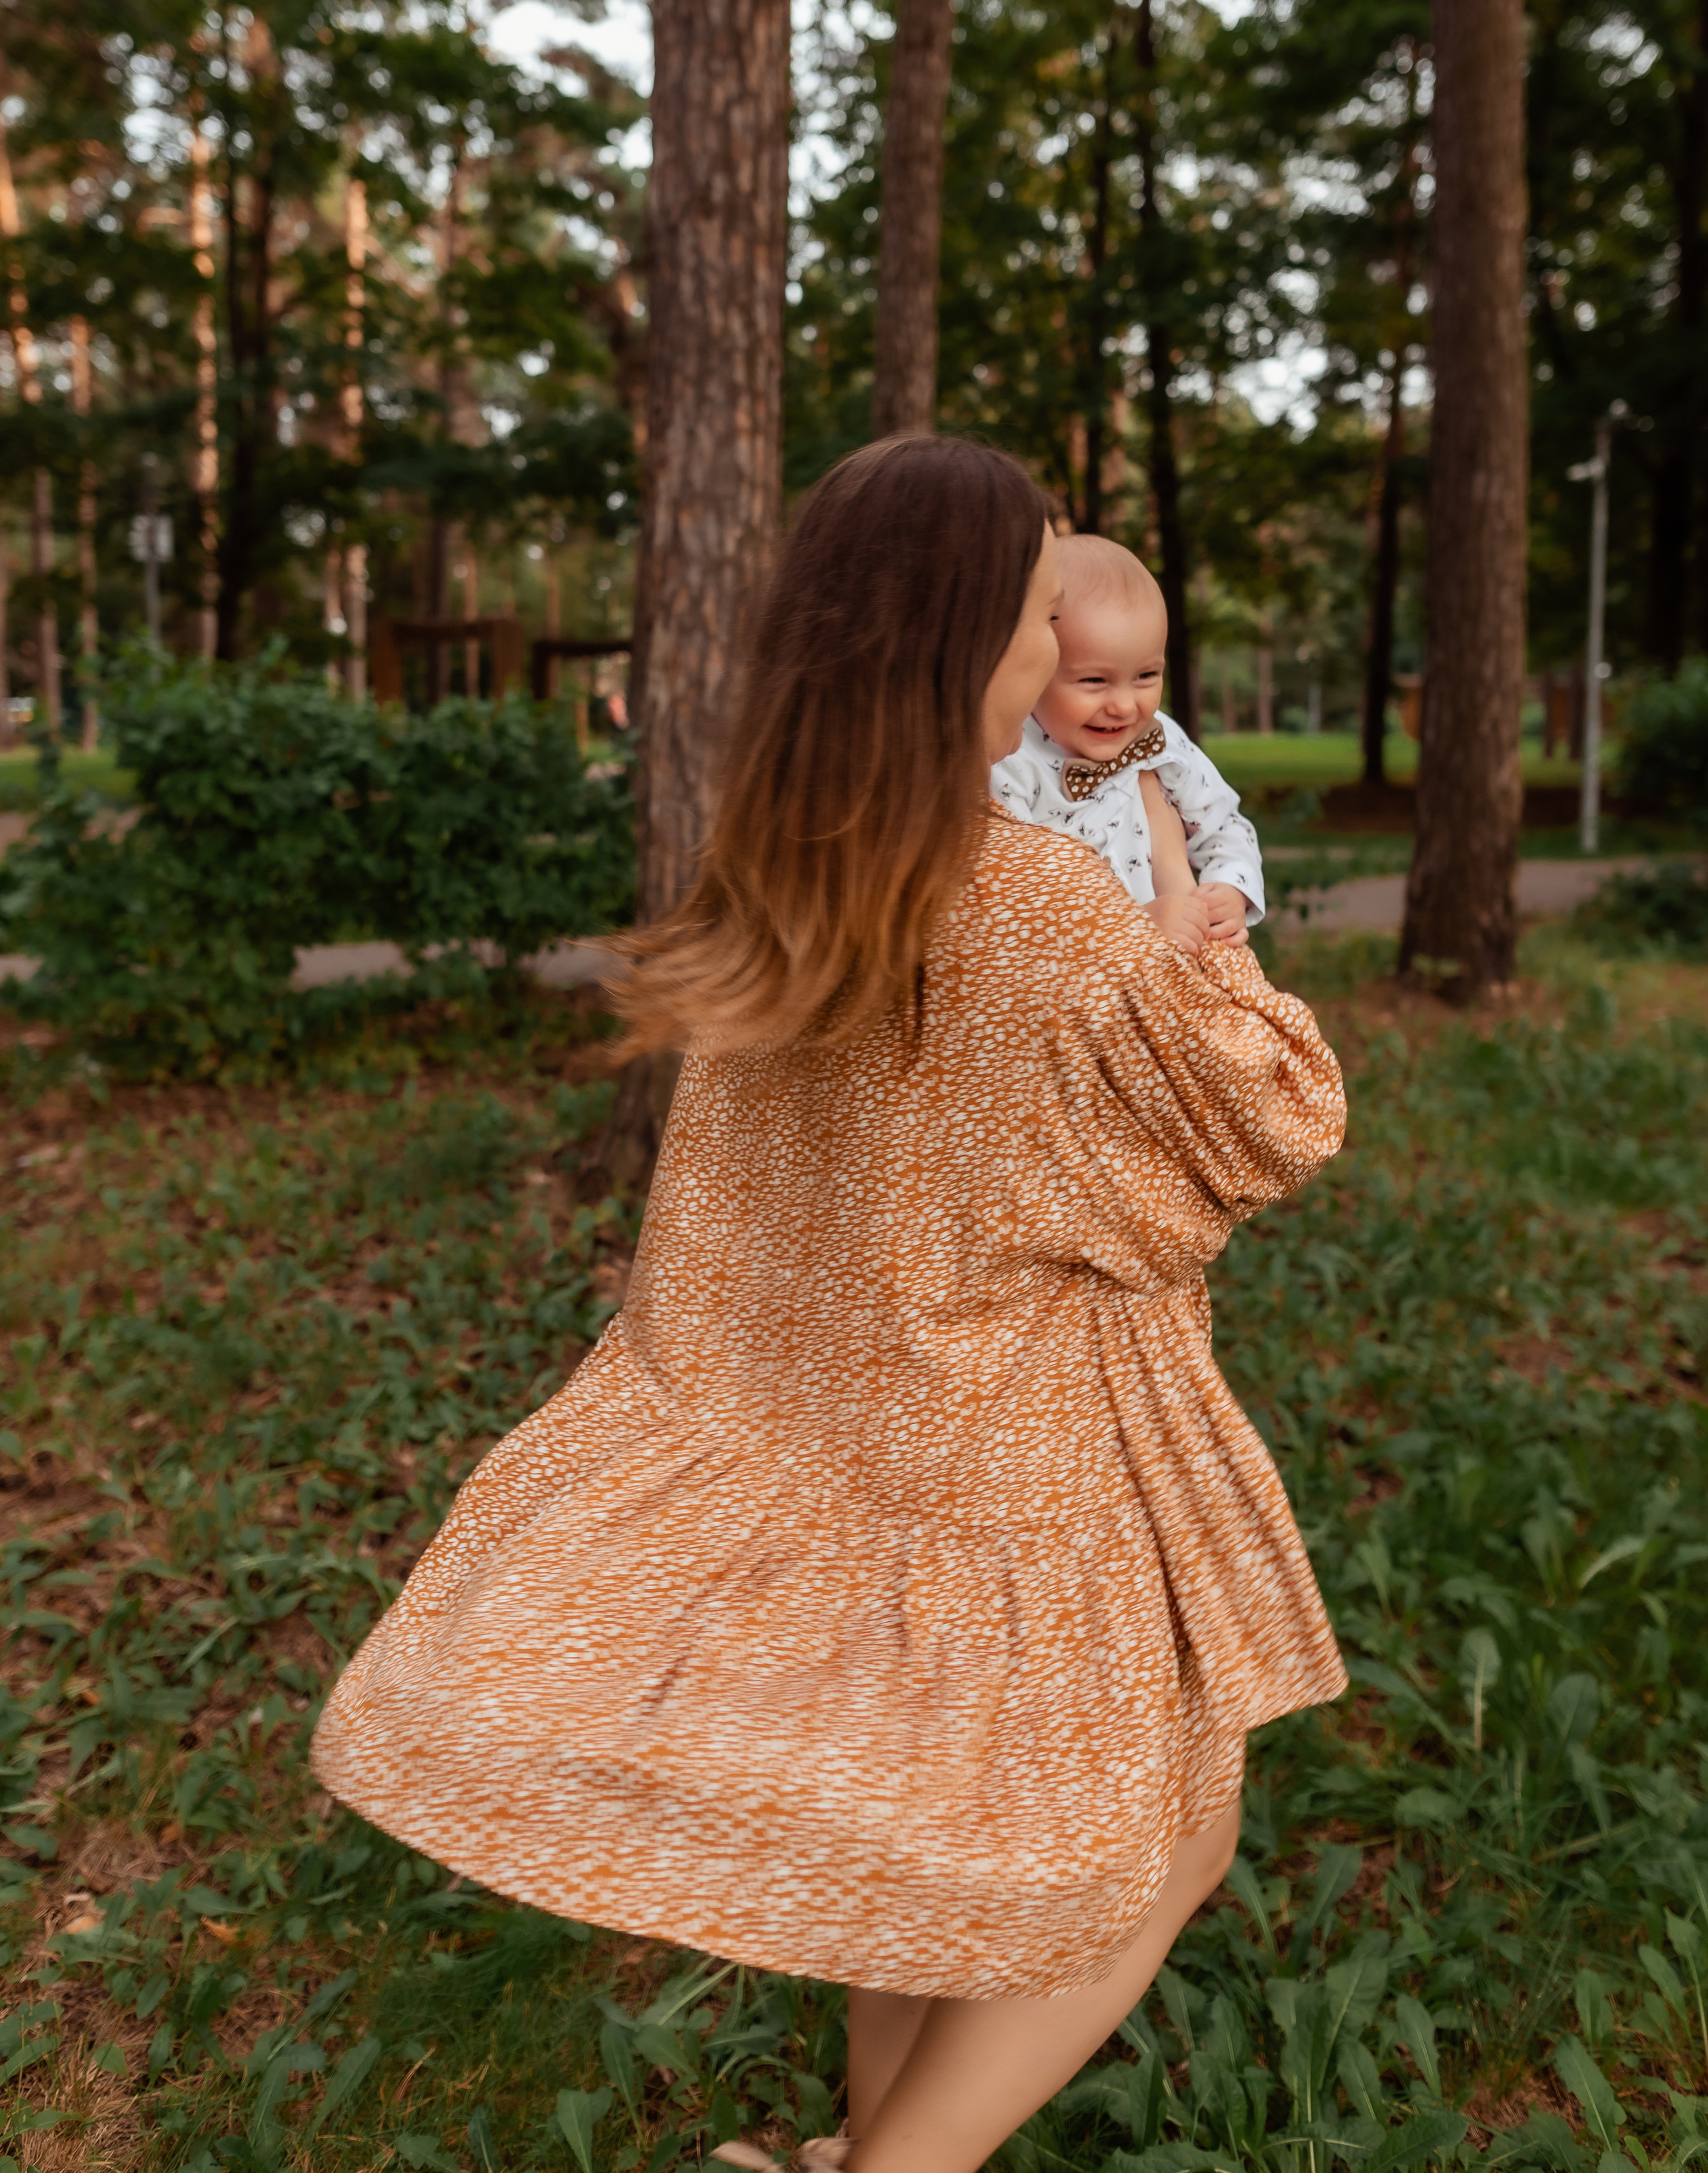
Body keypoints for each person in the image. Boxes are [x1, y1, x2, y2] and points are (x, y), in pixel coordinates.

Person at [311, 437, 1347, 2173]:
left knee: (926, 1848)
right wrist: (1183, 912)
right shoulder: (1040, 904)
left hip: (842, 1406)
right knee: (1158, 1839)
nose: (1064, 651)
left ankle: (863, 2140)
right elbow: (1268, 1123)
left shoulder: (797, 859)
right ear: (967, 641)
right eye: (1039, 612)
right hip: (1021, 1442)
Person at [992, 534, 1264, 955]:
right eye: (1094, 681)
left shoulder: (1162, 741)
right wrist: (1132, 927)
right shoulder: (1011, 759)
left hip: (1178, 960)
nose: (1123, 706)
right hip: (1084, 972)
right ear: (1037, 668)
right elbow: (1016, 895)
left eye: (1146, 677)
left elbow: (1225, 825)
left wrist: (1230, 888)